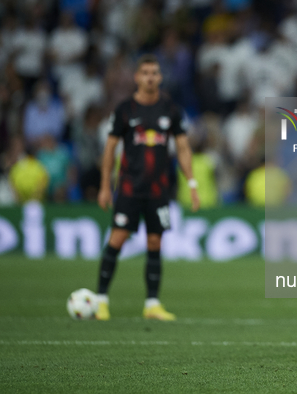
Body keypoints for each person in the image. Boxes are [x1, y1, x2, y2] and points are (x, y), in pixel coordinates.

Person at [95, 54, 200, 321]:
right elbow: (109, 150)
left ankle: (152, 304)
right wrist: (105, 186)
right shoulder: (125, 110)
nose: (150, 77)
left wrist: (192, 183)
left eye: (154, 73)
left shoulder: (171, 110)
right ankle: (101, 300)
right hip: (129, 187)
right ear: (137, 77)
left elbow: (184, 148)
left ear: (160, 77)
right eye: (145, 73)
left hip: (158, 190)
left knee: (155, 241)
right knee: (117, 238)